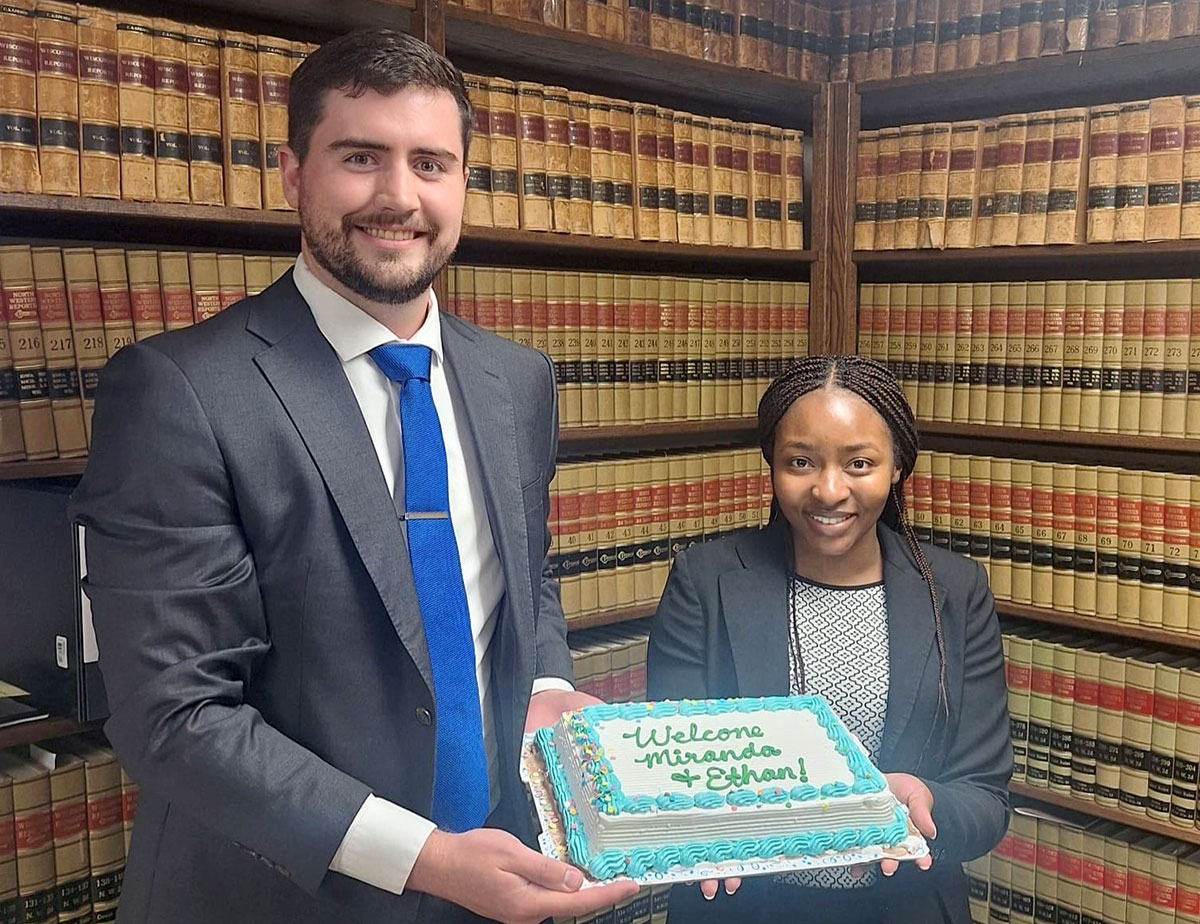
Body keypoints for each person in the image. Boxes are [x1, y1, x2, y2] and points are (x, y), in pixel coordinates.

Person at [69, 29, 638, 924]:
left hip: (496, 872)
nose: (398, 197)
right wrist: (427, 861)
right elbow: (174, 715)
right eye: (360, 157)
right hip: (277, 894)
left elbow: (522, 579)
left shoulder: (516, 380)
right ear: (293, 173)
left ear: (463, 183)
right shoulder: (179, 391)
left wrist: (545, 689)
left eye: (432, 164)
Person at [647, 355, 1012, 924]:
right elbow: (670, 775)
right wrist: (700, 829)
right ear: (772, 464)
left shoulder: (957, 592)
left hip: (907, 905)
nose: (829, 489)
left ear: (896, 468)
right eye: (800, 462)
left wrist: (926, 801)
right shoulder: (704, 581)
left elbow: (987, 797)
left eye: (859, 463)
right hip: (744, 908)